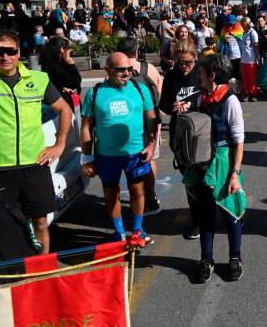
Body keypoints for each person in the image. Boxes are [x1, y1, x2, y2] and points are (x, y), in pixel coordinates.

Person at [0, 30, 74, 254]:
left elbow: (64, 109)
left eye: (10, 51)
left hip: (34, 166)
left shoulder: (38, 79)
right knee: (1, 228)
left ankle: (42, 273)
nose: (5, 57)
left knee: (41, 223)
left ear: (19, 52)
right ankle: (10, 279)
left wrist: (59, 145)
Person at [180, 54, 245, 283]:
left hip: (224, 161)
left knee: (229, 212)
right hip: (203, 162)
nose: (198, 76)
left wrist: (234, 174)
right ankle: (206, 259)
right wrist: (184, 109)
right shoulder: (202, 98)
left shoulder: (230, 101)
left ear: (212, 76)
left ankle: (235, 258)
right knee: (205, 213)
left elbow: (238, 140)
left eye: (201, 72)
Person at [80, 52, 157, 244]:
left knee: (137, 191)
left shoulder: (140, 89)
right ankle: (119, 232)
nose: (126, 73)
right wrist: (87, 158)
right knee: (111, 194)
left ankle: (137, 231)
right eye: (120, 70)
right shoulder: (95, 92)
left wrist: (151, 145)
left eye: (129, 69)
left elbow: (151, 120)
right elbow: (86, 127)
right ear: (107, 70)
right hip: (106, 155)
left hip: (136, 153)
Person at [116, 37, 164, 216]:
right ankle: (150, 196)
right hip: (149, 121)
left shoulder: (116, 71)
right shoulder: (148, 69)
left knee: (129, 161)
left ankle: (139, 196)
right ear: (136, 51)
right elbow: (159, 89)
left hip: (127, 122)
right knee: (150, 159)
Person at [159, 41, 202, 239]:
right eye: (180, 63)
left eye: (188, 63)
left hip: (202, 130)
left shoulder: (202, 72)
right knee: (190, 179)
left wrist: (191, 104)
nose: (184, 67)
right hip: (181, 133)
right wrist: (174, 106)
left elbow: (212, 97)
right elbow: (164, 104)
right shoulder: (171, 76)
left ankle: (226, 214)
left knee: (210, 177)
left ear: (196, 58)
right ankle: (197, 220)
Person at [39, 36, 82, 111]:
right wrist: (71, 64)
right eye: (67, 48)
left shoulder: (52, 63)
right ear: (61, 49)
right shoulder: (55, 66)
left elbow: (77, 87)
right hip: (64, 105)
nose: (69, 51)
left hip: (64, 102)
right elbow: (75, 82)